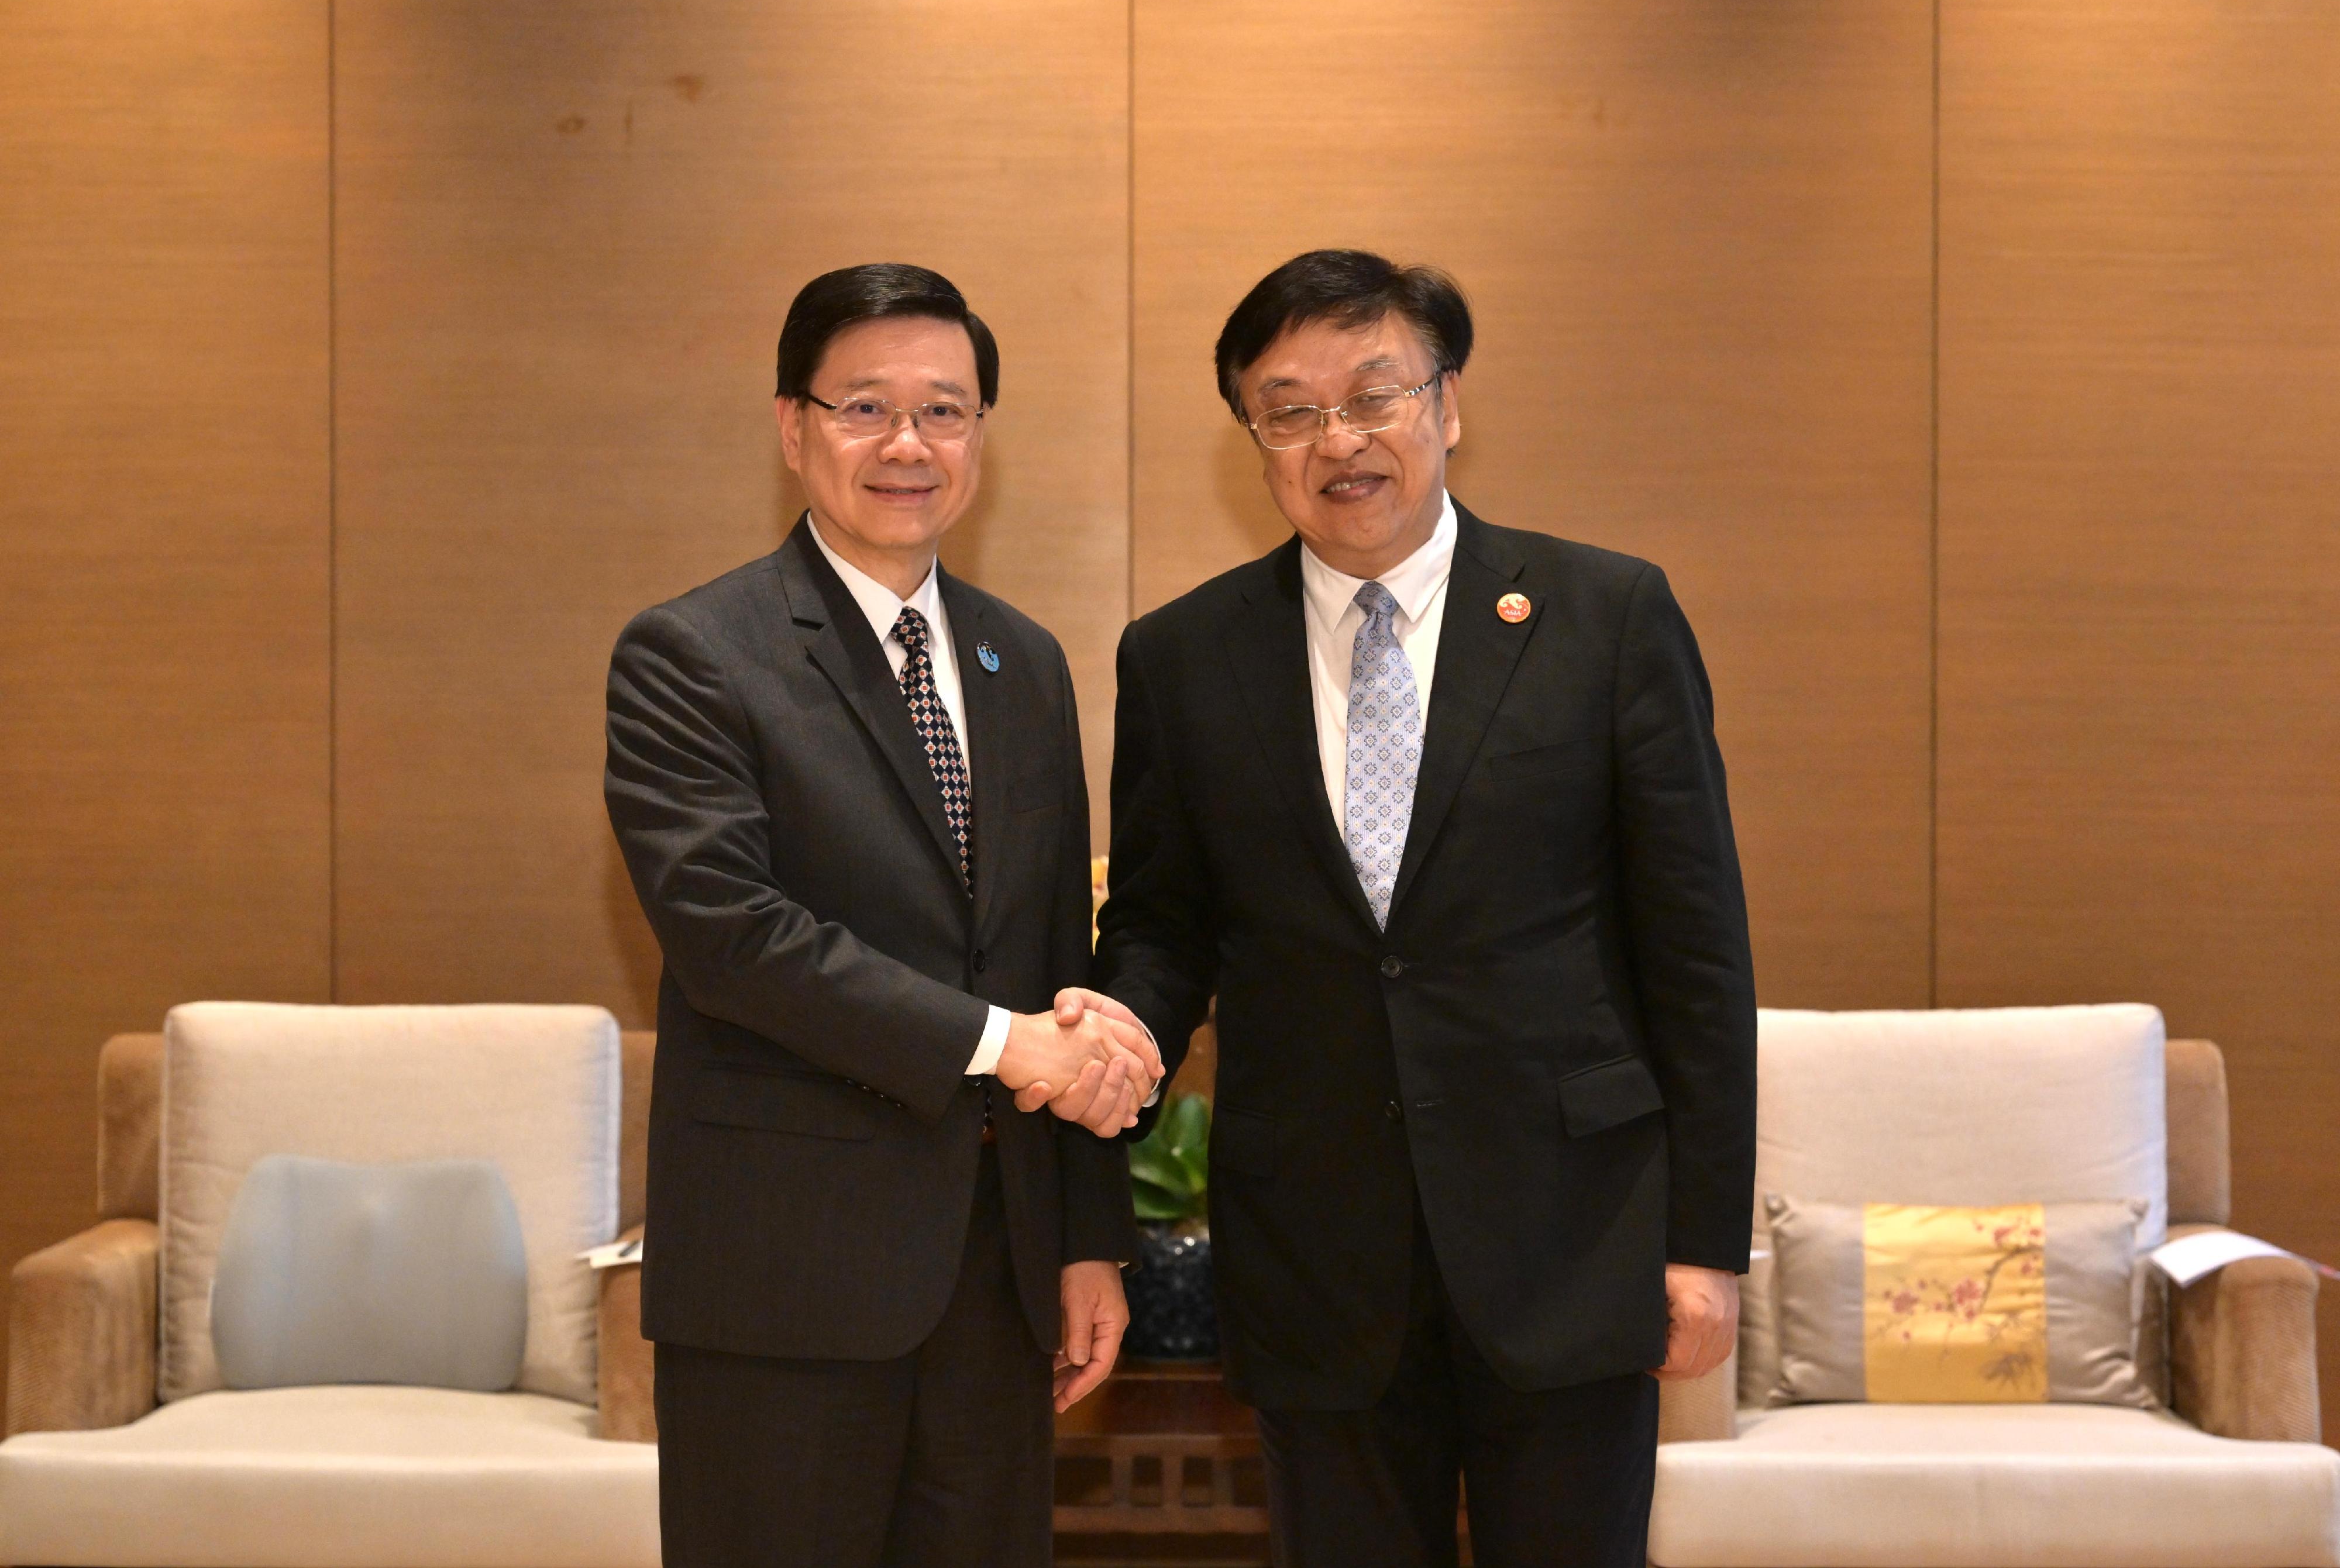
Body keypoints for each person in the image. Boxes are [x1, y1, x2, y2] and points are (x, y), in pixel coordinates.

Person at [1094, 249, 1757, 1568]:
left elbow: (1695, 951)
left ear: (1448, 405)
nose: (1337, 439)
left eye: (1374, 393)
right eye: (1289, 410)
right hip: (1316, 1253)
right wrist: (1114, 1034)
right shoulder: (1181, 656)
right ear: (1252, 440)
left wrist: (1701, 1245)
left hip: (1568, 1238)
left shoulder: (1605, 616)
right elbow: (1165, 926)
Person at [605, 262, 1163, 1568]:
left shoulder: (1024, 662)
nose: (907, 444)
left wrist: (1088, 1244)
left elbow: (1055, 958)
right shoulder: (693, 653)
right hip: (783, 1280)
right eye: (864, 407)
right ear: (792, 428)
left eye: (944, 411)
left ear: (979, 436)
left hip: (996, 1280)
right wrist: (1002, 1044)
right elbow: (731, 935)